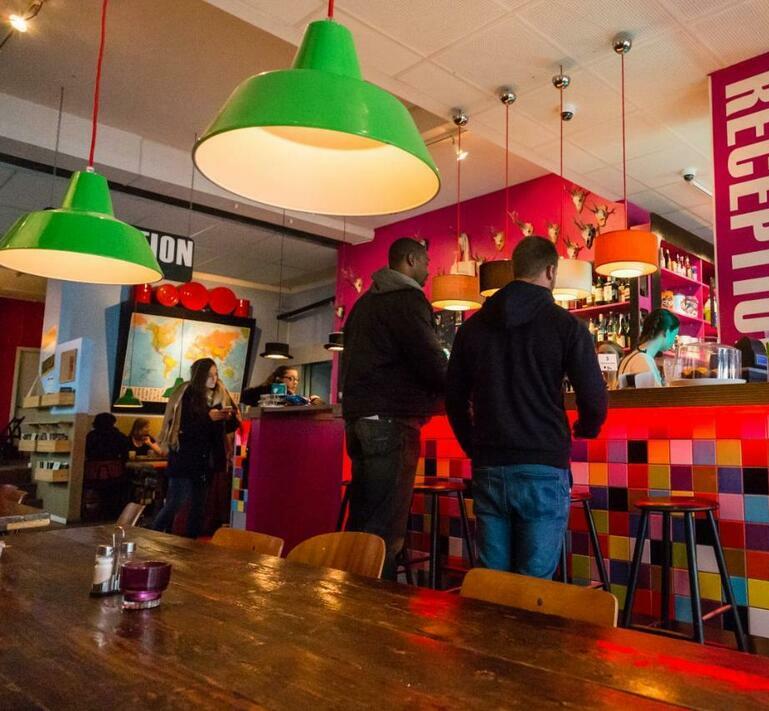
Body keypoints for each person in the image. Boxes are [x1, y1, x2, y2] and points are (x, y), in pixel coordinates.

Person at [446, 236, 607, 579]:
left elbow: (454, 398)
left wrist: (474, 446)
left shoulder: (471, 328)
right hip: (542, 463)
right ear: (550, 271)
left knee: (491, 581)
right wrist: (587, 428)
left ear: (514, 270)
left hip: (490, 465)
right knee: (534, 584)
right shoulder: (567, 326)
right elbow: (594, 397)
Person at [340, 237, 448, 580]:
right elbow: (430, 361)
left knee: (363, 523)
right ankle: (374, 605)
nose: (430, 270)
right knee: (385, 530)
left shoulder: (363, 304)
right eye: (427, 262)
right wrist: (458, 386)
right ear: (411, 260)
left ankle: (351, 598)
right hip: (390, 422)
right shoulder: (407, 299)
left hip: (359, 420)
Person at [151, 358, 239, 539]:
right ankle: (152, 537)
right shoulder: (187, 394)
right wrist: (209, 418)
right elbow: (183, 430)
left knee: (199, 507)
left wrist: (228, 417)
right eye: (209, 375)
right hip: (184, 459)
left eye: (216, 374)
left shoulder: (220, 395)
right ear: (200, 376)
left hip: (206, 461)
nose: (214, 379)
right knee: (175, 503)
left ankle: (190, 545)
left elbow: (227, 428)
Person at [616, 309, 680, 388]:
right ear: (666, 332)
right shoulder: (642, 359)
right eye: (674, 335)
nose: (673, 341)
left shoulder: (632, 356)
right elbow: (653, 395)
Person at [240, 365, 322, 407]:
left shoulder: (292, 397)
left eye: (297, 379)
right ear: (279, 379)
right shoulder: (267, 392)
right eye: (291, 378)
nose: (295, 382)